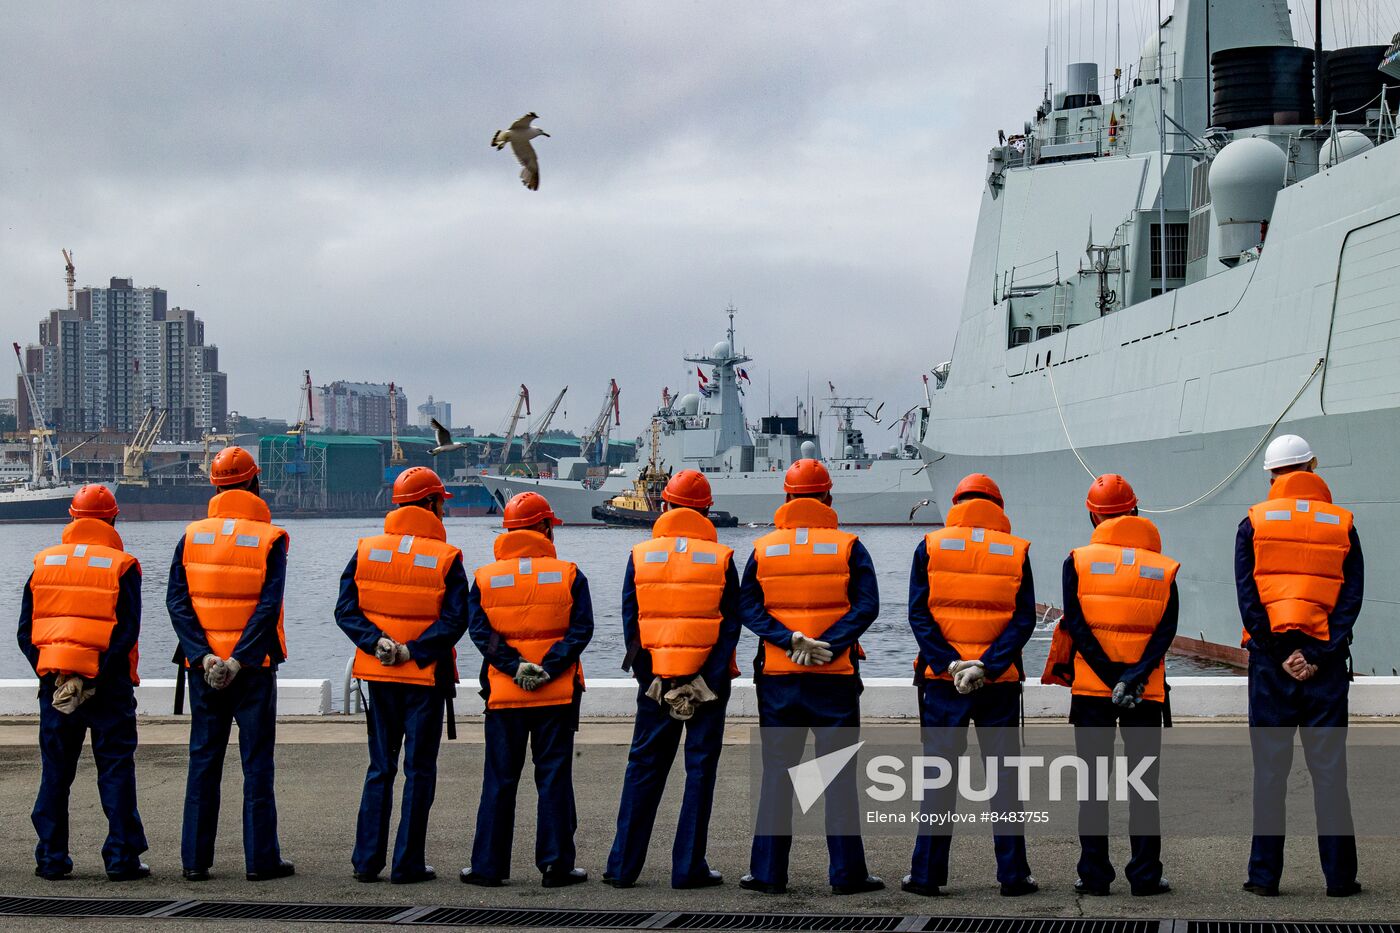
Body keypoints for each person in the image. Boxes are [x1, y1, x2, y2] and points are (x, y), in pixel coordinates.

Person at [739, 459, 883, 896]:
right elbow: (867, 605)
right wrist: (830, 644)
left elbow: (747, 607)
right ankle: (847, 875)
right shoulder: (850, 546)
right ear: (828, 499)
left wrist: (790, 640)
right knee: (837, 775)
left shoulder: (763, 549)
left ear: (785, 498)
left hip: (779, 677)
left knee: (777, 775)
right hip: (834, 677)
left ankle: (767, 874)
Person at [1236, 434, 1362, 898]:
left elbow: (1249, 601)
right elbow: (1350, 600)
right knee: (1330, 775)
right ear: (1313, 466)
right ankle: (1341, 879)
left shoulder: (1252, 524)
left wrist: (1279, 654)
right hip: (1324, 669)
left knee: (1270, 775)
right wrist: (1316, 655)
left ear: (1272, 475)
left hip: (1271, 670)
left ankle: (1264, 878)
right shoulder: (1342, 524)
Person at [603, 470, 742, 890]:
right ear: (705, 511)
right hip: (707, 688)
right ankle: (687, 869)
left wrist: (656, 678)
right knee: (699, 772)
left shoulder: (640, 555)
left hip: (655, 685)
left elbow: (634, 625)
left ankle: (622, 867)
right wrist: (703, 682)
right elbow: (729, 628)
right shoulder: (721, 558)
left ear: (663, 506)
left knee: (643, 768)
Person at [904, 473, 1038, 897]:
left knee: (938, 781)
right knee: (1005, 783)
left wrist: (949, 663)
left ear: (957, 501)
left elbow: (918, 615)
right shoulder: (1016, 552)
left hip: (943, 684)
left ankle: (926, 876)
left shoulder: (930, 546)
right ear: (998, 506)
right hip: (997, 683)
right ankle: (1014, 877)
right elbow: (1024, 620)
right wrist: (988, 665)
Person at [335, 466, 469, 884]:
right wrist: (416, 650)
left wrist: (377, 643)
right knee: (419, 770)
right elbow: (456, 619)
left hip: (378, 675)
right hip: (424, 678)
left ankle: (366, 861)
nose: (444, 509)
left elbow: (345, 610)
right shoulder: (446, 558)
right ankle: (407, 863)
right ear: (430, 503)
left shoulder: (366, 550)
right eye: (441, 502)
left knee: (380, 767)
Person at [167, 446, 293, 882]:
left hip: (202, 672)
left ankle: (194, 862)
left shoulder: (191, 536)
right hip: (253, 670)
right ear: (255, 484)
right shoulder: (269, 538)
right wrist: (238, 659)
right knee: (257, 763)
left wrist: (203, 657)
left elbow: (177, 603)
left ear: (215, 487)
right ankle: (261, 861)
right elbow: (267, 606)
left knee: (203, 761)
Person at [461, 491, 593, 888]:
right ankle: (556, 866)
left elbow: (480, 632)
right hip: (557, 695)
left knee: (500, 780)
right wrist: (547, 669)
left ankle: (488, 867)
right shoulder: (569, 573)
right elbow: (581, 630)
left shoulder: (485, 578)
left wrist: (515, 668)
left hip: (504, 695)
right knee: (553, 777)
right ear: (544, 527)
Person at [18, 484, 149, 882]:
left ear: (71, 517)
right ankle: (122, 859)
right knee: (115, 771)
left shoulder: (44, 563)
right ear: (113, 518)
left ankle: (51, 859)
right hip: (108, 688)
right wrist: (93, 675)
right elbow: (125, 632)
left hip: (56, 688)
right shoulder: (121, 565)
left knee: (56, 774)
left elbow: (26, 632)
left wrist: (56, 674)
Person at [1059, 473, 1177, 897]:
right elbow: (1167, 631)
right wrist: (1133, 677)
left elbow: (1076, 625)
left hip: (1093, 692)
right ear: (1136, 510)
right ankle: (1145, 877)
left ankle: (1093, 877)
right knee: (1144, 788)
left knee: (1093, 788)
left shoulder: (1077, 561)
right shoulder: (1162, 568)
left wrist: (1112, 679)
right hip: (1145, 694)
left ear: (1094, 515)